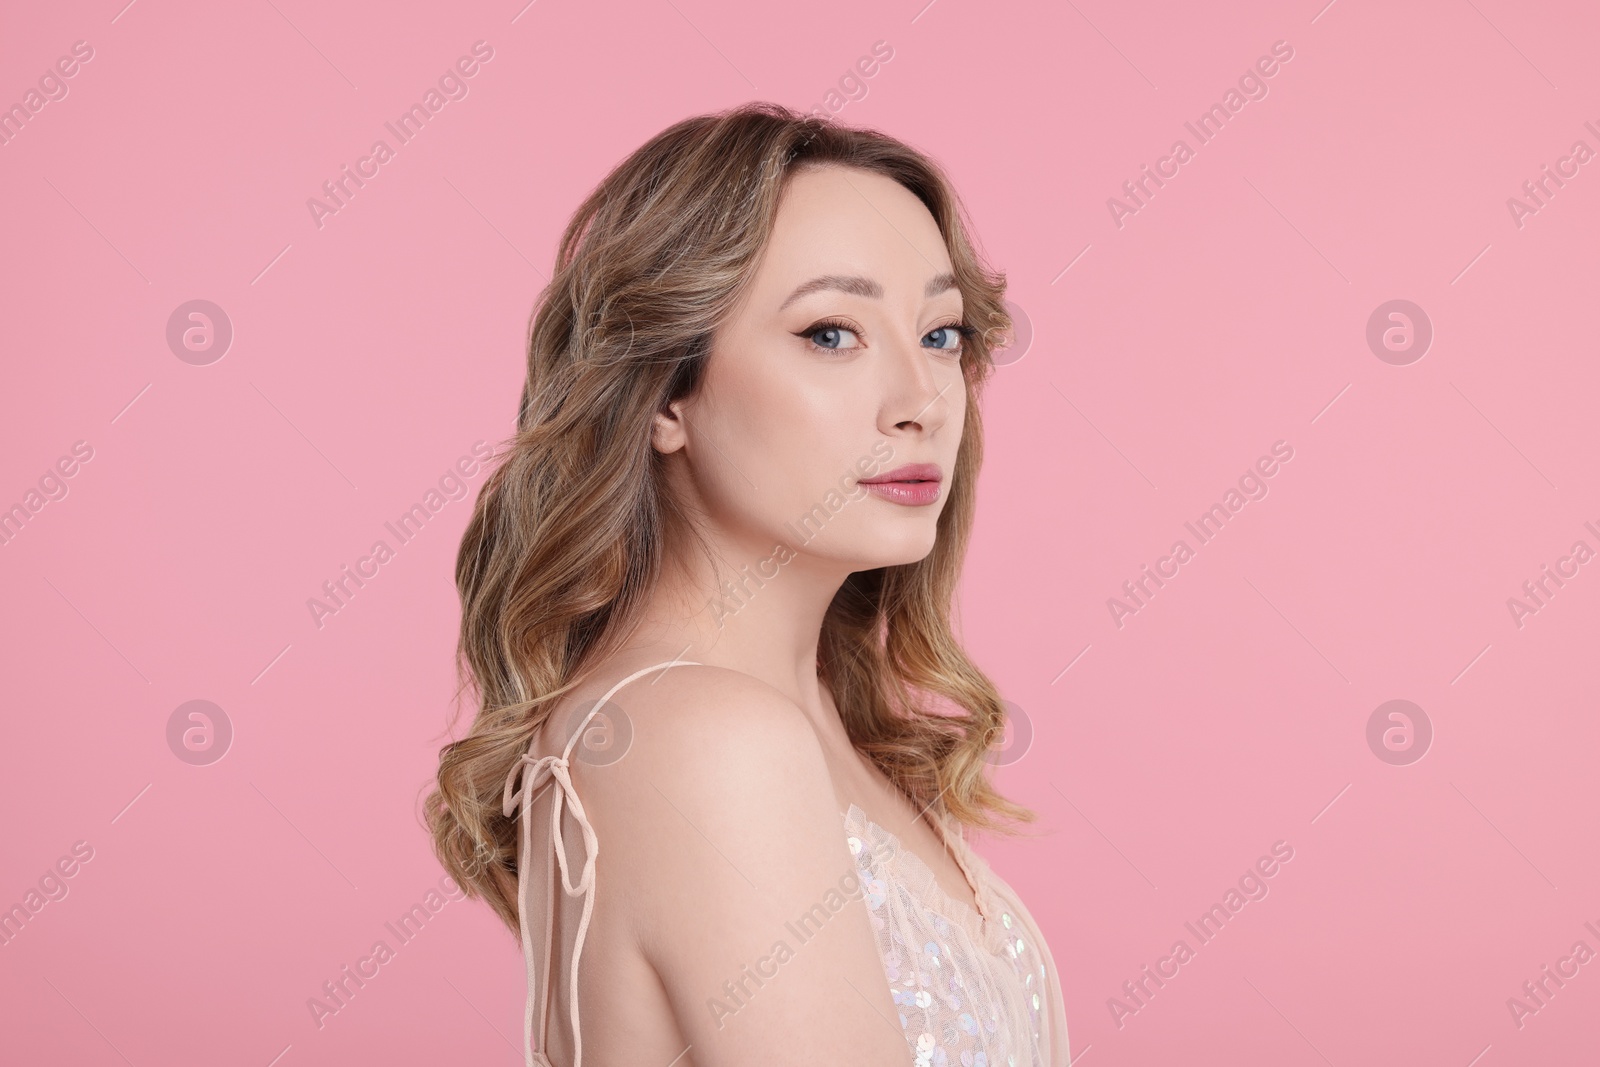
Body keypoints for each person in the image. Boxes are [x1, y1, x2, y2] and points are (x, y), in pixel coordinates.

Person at [426, 101, 1070, 1066]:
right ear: (666, 392)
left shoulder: (809, 725)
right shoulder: (706, 739)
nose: (920, 403)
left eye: (939, 334)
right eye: (829, 333)